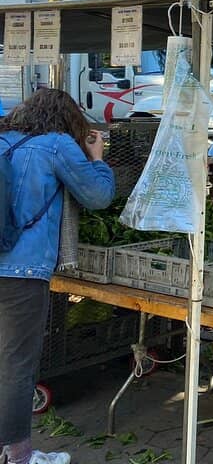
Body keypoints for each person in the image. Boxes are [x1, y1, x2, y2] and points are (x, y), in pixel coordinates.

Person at [0, 90, 115, 464]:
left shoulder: (2, 138)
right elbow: (98, 195)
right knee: (16, 366)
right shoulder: (57, 145)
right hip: (22, 271)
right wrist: (97, 159)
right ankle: (18, 456)